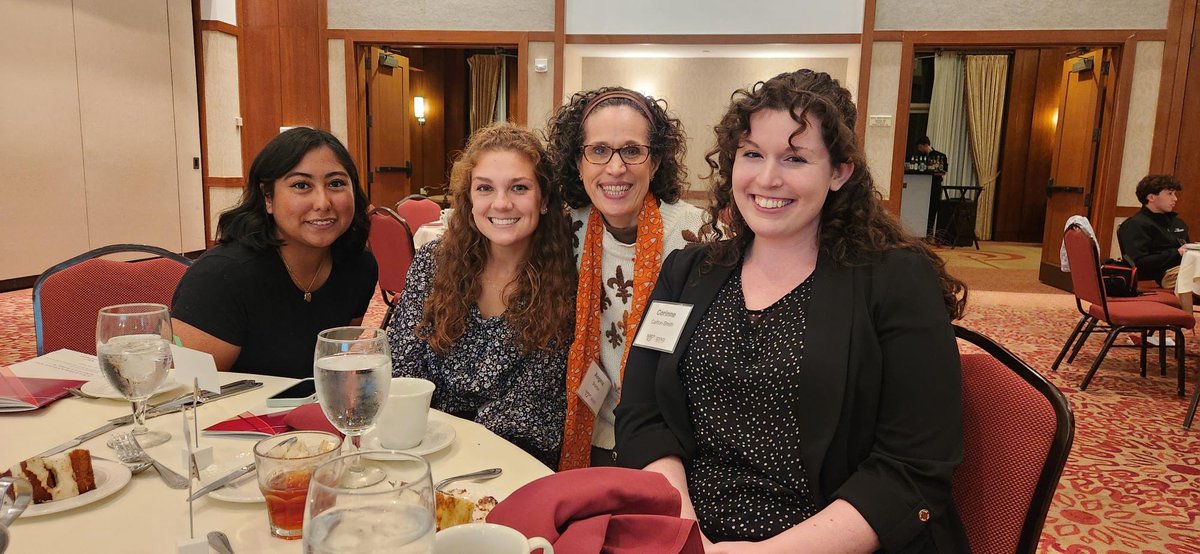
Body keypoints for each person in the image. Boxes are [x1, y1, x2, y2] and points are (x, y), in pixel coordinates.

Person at [614, 69, 971, 552]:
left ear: (840, 172)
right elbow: (643, 413)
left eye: (795, 158)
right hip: (686, 529)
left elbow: (911, 469)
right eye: (752, 154)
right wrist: (685, 533)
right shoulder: (688, 272)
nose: (767, 178)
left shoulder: (895, 281)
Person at [388, 124, 576, 468]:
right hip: (425, 445)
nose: (501, 204)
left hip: (514, 458)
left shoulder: (566, 278)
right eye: (485, 188)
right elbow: (403, 367)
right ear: (469, 199)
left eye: (519, 188)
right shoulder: (434, 261)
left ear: (544, 200)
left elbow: (532, 405)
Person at [545, 86, 710, 470]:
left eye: (632, 151)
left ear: (655, 163)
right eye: (598, 151)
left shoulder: (698, 239)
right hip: (587, 428)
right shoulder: (565, 230)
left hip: (675, 439)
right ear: (578, 163)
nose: (615, 168)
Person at [172, 127, 377, 378]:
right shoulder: (221, 277)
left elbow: (330, 366)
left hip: (305, 412)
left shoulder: (358, 266)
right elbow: (189, 390)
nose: (323, 202)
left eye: (336, 183)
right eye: (301, 185)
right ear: (267, 198)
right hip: (229, 414)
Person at [1117, 174, 1189, 288]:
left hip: (1186, 268)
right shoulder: (1134, 225)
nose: (1175, 198)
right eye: (1170, 194)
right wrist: (1177, 253)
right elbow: (1138, 263)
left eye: (1175, 194)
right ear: (1151, 197)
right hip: (1163, 275)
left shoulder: (1178, 223)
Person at [916, 136, 949, 237]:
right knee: (920, 208)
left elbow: (943, 172)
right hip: (921, 186)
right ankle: (919, 232)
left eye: (921, 147)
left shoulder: (940, 156)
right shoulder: (919, 156)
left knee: (932, 209)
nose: (919, 149)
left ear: (926, 145)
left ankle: (929, 234)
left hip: (935, 186)